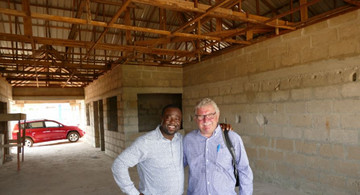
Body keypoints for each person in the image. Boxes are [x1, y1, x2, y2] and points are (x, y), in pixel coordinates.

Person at [183, 98, 253, 195]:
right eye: (201, 116)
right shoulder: (188, 140)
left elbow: (244, 170)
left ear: (217, 115)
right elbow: (176, 166)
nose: (206, 120)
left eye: (210, 115)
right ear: (195, 118)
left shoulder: (232, 138)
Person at [111, 104, 184, 195]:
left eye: (177, 119)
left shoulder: (180, 139)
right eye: (168, 117)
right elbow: (119, 164)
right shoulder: (146, 142)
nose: (173, 122)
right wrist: (133, 192)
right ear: (161, 118)